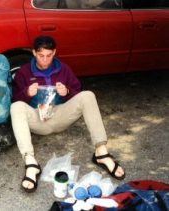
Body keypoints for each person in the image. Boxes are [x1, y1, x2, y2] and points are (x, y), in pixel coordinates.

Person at [10, 35, 125, 193]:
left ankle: (101, 152)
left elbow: (77, 91)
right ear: (34, 53)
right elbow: (15, 99)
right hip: (37, 119)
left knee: (88, 95)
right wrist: (26, 93)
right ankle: (31, 163)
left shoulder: (63, 68)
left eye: (49, 55)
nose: (45, 60)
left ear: (54, 52)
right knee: (16, 107)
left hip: (59, 115)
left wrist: (67, 91)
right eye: (41, 55)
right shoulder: (23, 72)